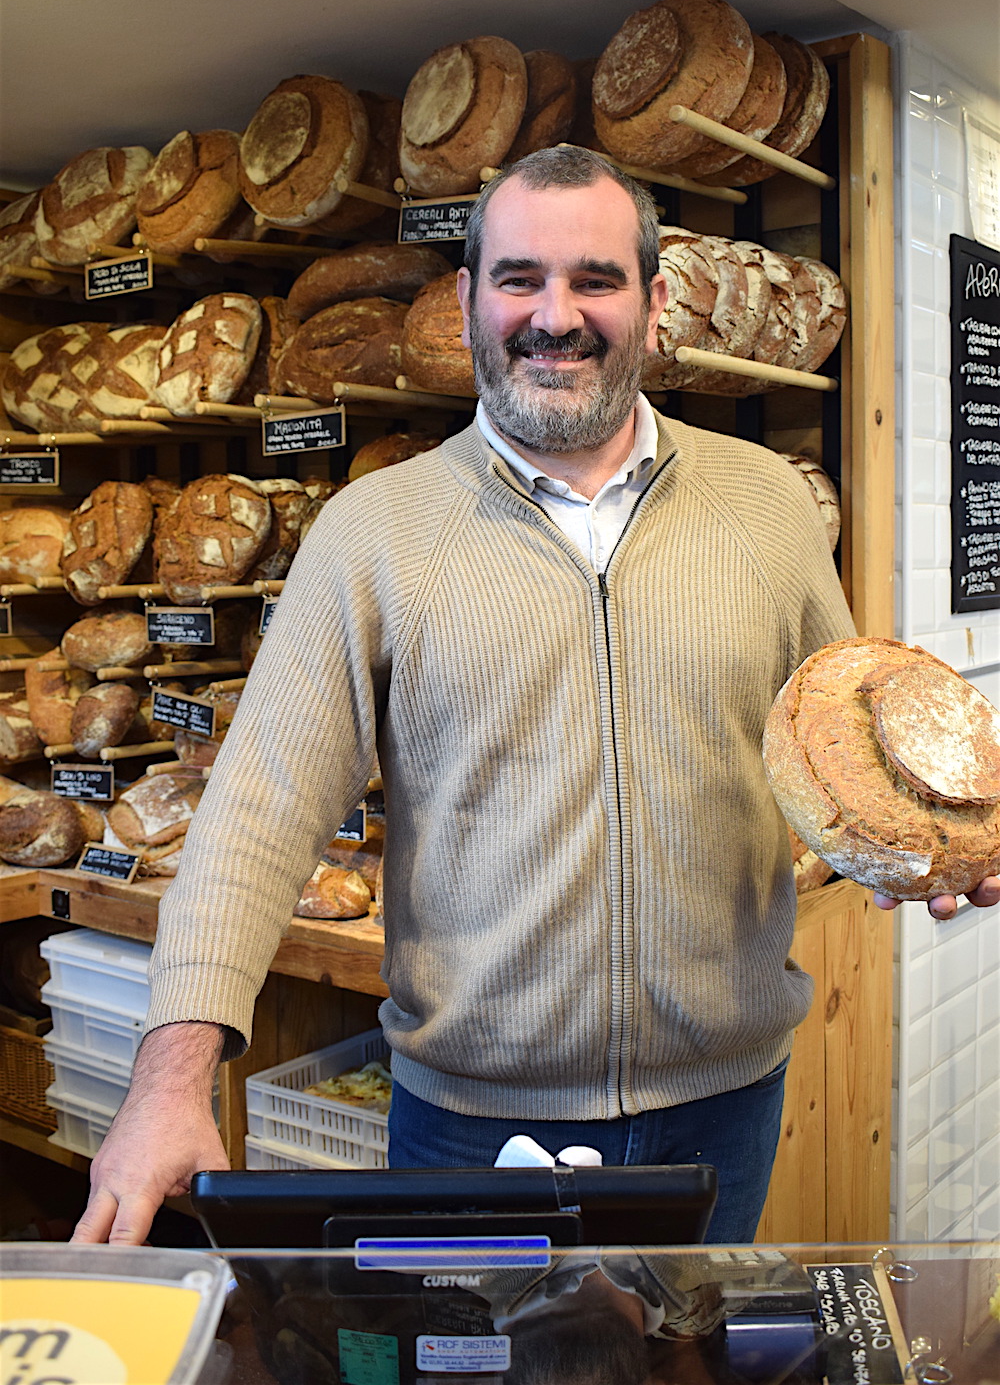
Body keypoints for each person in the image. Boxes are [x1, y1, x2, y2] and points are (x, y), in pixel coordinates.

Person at [72, 146, 1000, 1249]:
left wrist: (932, 844)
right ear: (468, 301)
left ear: (655, 307)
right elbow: (256, 811)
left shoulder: (765, 503)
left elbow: (838, 734)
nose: (553, 316)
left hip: (725, 1103)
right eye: (518, 278)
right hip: (468, 1121)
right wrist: (171, 1076)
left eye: (595, 279)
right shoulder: (374, 532)